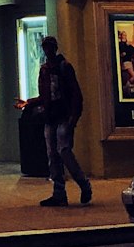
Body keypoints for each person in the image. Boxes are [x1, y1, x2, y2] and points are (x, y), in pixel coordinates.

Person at [33, 35, 92, 207]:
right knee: (52, 154)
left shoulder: (64, 66)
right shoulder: (44, 69)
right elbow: (45, 95)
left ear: (55, 48)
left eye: (49, 47)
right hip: (51, 116)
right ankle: (59, 193)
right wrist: (31, 103)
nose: (47, 50)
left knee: (64, 151)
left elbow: (75, 93)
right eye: (45, 47)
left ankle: (83, 184)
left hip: (64, 116)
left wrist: (74, 117)